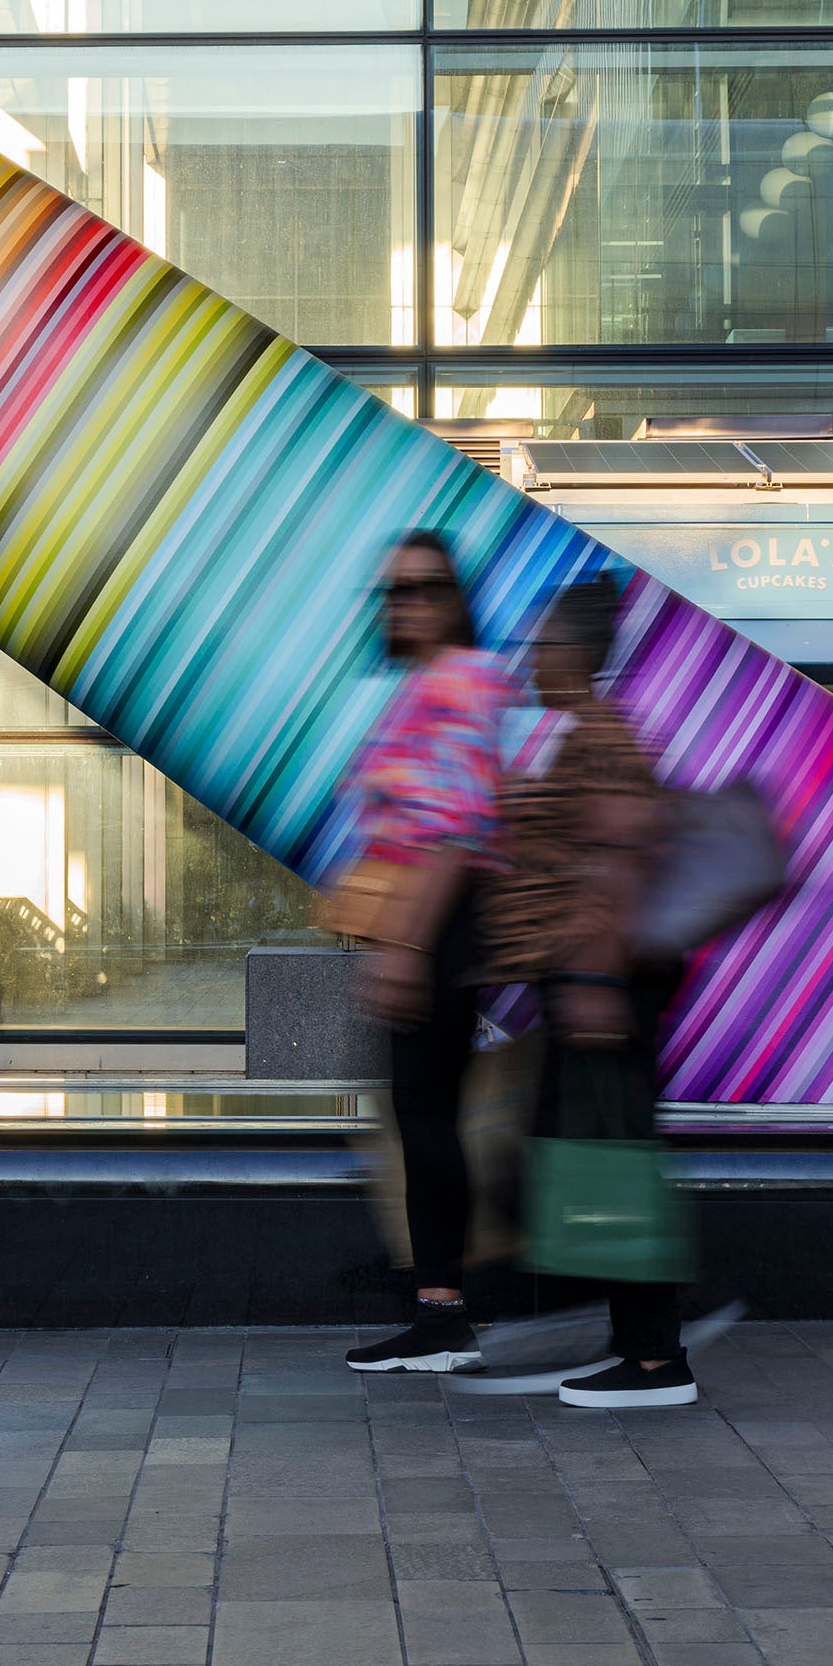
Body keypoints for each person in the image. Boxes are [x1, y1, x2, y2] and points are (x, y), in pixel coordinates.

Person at [485, 575, 697, 1409]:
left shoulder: (601, 734)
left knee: (608, 1159)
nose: (532, 661)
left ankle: (654, 1361)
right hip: (590, 974)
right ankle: (637, 1344)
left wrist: (594, 980)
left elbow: (617, 859)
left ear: (571, 654)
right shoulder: (590, 732)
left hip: (601, 977)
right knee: (596, 1154)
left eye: (540, 647)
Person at [344, 530, 511, 1374]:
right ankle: (441, 1312)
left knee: (425, 1116)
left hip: (437, 924)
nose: (404, 603)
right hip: (425, 923)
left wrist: (408, 946)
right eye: (393, 590)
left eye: (421, 587)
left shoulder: (461, 681)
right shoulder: (429, 683)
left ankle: (445, 1315)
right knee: (423, 1116)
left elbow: (452, 834)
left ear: (452, 598)